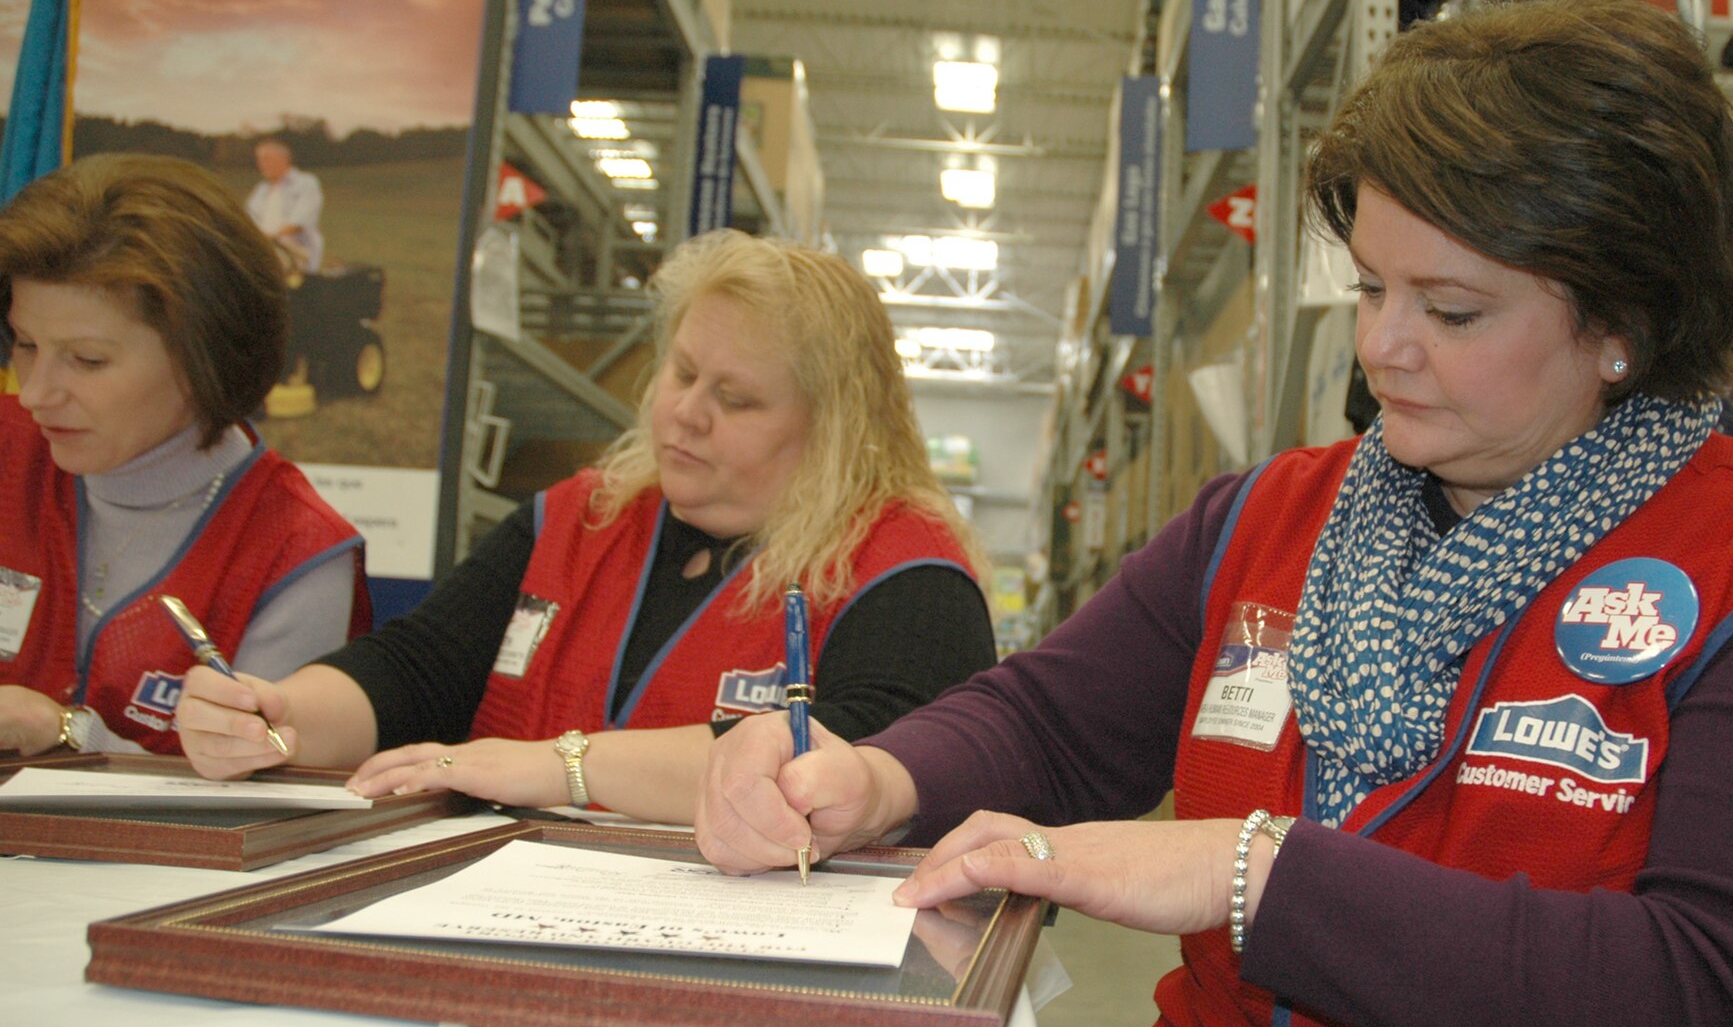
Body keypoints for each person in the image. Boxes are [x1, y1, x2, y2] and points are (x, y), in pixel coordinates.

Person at [695, 0, 1733, 1027]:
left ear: (1627, 322)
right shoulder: (1273, 519)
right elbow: (1053, 716)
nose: (1382, 347)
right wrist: (873, 774)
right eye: (1371, 286)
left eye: (1452, 309)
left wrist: (1257, 874)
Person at [177, 228, 993, 825]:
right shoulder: (580, 517)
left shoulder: (907, 576)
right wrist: (278, 715)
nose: (685, 412)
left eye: (735, 399)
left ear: (835, 426)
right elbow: (418, 667)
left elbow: (848, 759)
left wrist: (557, 767)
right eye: (681, 371)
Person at [0, 153, 368, 756]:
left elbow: (251, 805)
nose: (36, 392)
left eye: (87, 360)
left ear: (203, 360)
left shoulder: (294, 553)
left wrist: (72, 735)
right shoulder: (11, 449)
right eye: (24, 345)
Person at [245, 138, 324, 275]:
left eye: (266, 159)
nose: (261, 164)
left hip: (294, 252)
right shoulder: (261, 190)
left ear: (284, 159)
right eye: (259, 160)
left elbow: (297, 225)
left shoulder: (306, 183)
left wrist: (266, 240)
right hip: (263, 251)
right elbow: (247, 222)